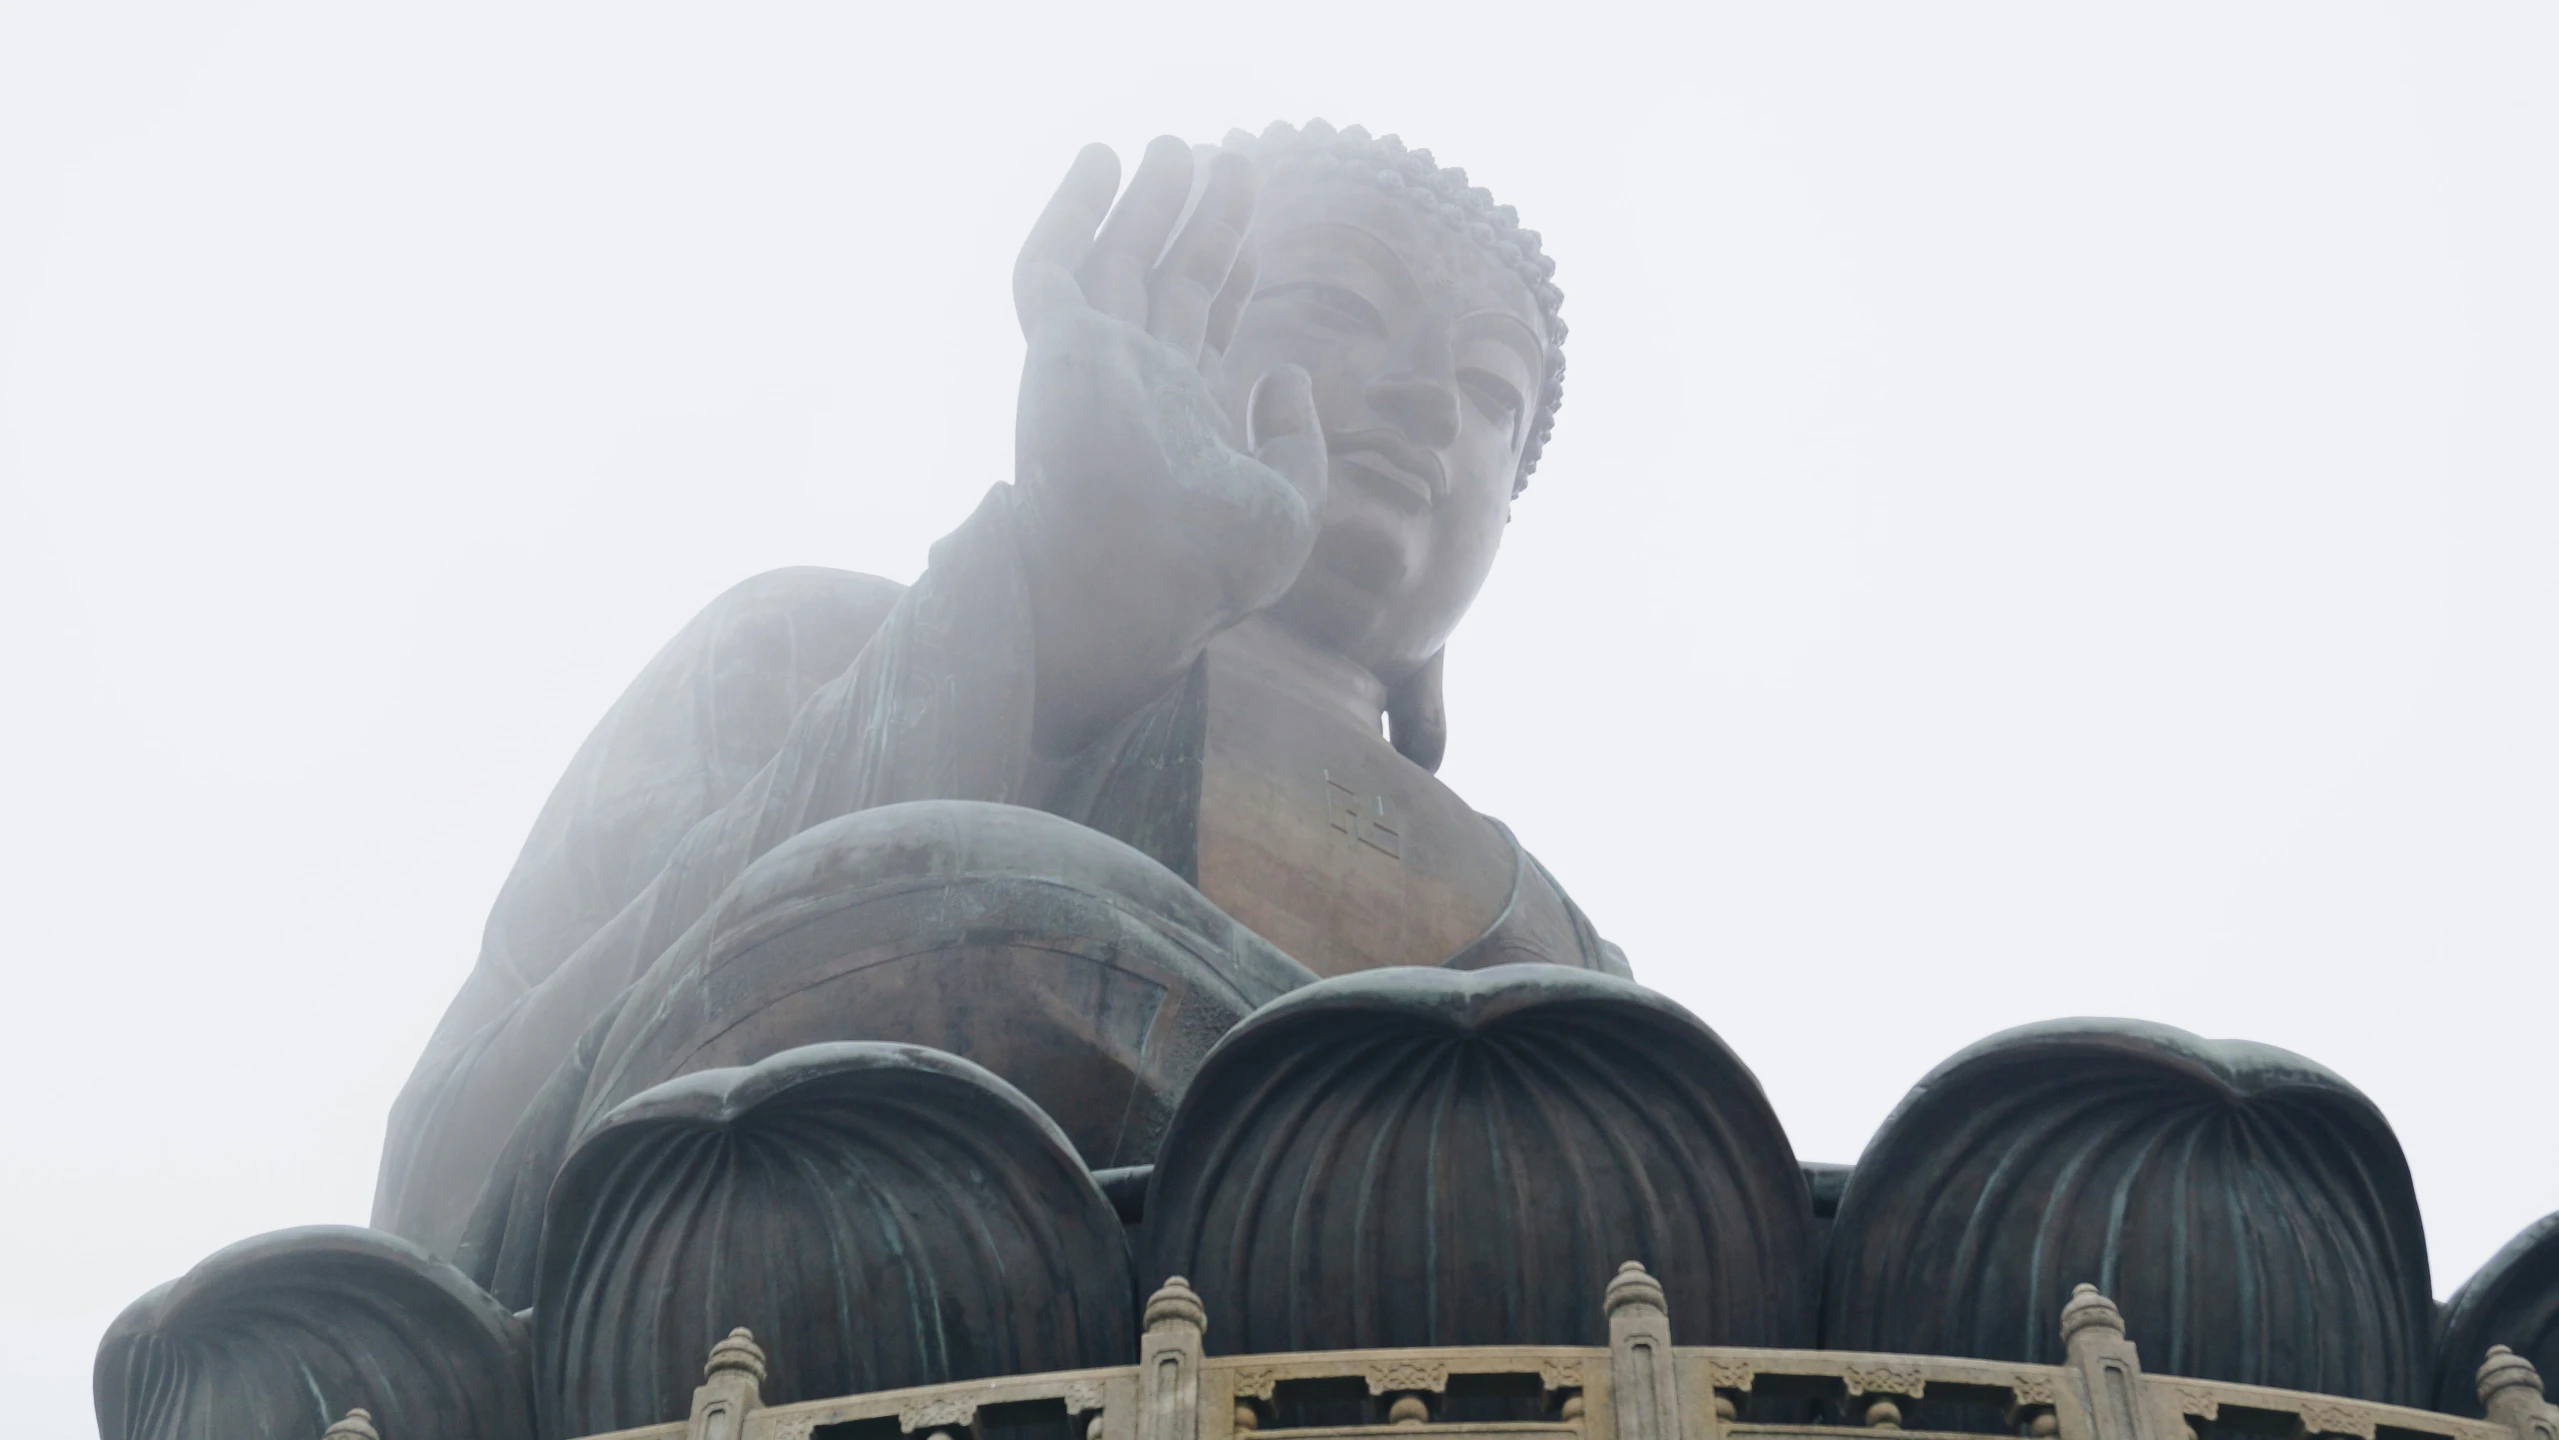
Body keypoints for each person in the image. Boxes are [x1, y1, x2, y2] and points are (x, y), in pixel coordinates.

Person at [375, 123, 1627, 1282]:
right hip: (839, 1313)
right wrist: (1061, 613)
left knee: (1644, 1127)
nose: (1423, 401)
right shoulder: (812, 649)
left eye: (1491, 394)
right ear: (1178, 320)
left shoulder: (1566, 939)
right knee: (909, 905)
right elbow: (447, 1203)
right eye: (1339, 305)